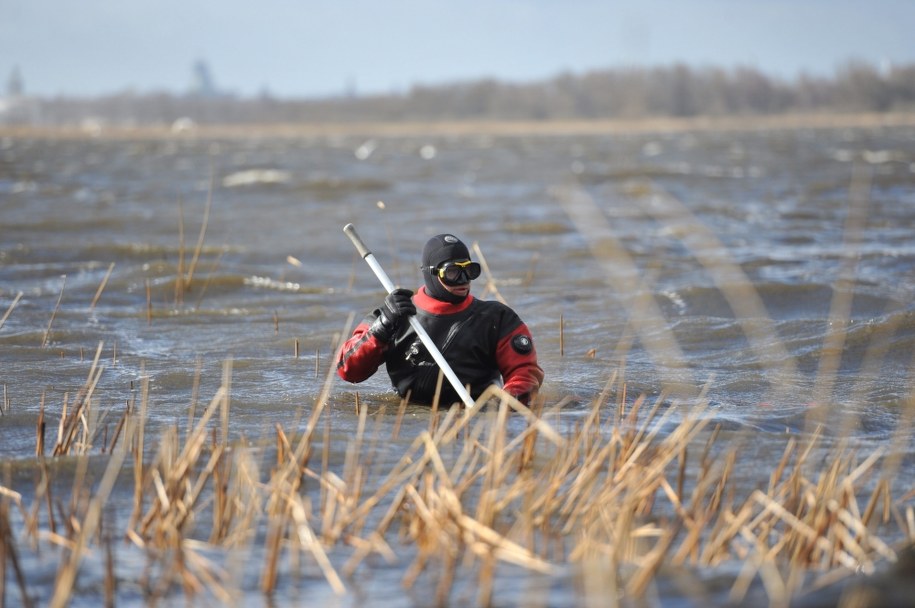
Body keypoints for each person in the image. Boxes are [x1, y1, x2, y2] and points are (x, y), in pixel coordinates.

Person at [336, 233, 544, 406]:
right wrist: (381, 329)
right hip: (410, 418)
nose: (463, 281)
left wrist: (506, 406)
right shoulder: (394, 317)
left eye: (469, 271)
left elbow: (525, 372)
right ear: (432, 274)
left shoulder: (497, 318)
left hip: (476, 412)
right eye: (453, 272)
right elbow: (348, 370)